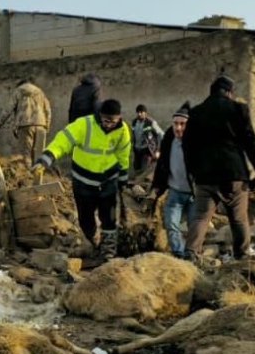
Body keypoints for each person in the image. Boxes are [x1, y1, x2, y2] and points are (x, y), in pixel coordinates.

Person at [32, 98, 131, 259]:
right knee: (86, 219)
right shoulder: (85, 125)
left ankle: (108, 251)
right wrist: (47, 157)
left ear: (119, 118)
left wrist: (123, 179)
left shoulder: (123, 130)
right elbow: (63, 141)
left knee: (109, 218)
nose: (108, 124)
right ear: (100, 115)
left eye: (113, 121)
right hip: (83, 182)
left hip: (108, 180)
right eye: (106, 120)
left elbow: (123, 154)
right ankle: (94, 240)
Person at [182, 75, 255, 260]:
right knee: (238, 218)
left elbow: (188, 145)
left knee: (201, 217)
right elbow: (250, 141)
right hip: (234, 174)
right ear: (229, 92)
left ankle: (190, 252)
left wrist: (192, 172)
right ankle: (242, 255)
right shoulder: (238, 109)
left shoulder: (196, 112)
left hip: (206, 176)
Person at [152, 102, 194, 259]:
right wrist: (157, 185)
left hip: (194, 194)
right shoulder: (169, 140)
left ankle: (192, 254)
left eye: (182, 124)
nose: (178, 128)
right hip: (175, 191)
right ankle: (178, 253)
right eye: (176, 124)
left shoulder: (197, 142)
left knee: (194, 227)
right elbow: (162, 164)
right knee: (171, 224)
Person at [12, 79, 51, 162]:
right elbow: (48, 110)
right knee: (39, 154)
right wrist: (47, 125)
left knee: (26, 154)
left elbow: (9, 110)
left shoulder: (18, 91)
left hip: (25, 125)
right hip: (41, 125)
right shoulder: (40, 92)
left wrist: (13, 126)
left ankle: (28, 173)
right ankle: (39, 174)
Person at [130, 104, 163, 176]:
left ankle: (143, 185)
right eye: (138, 112)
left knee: (144, 170)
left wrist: (158, 150)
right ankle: (138, 185)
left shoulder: (151, 123)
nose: (139, 114)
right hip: (137, 151)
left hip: (147, 150)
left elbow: (161, 135)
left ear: (145, 113)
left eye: (141, 112)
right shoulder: (134, 122)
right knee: (136, 169)